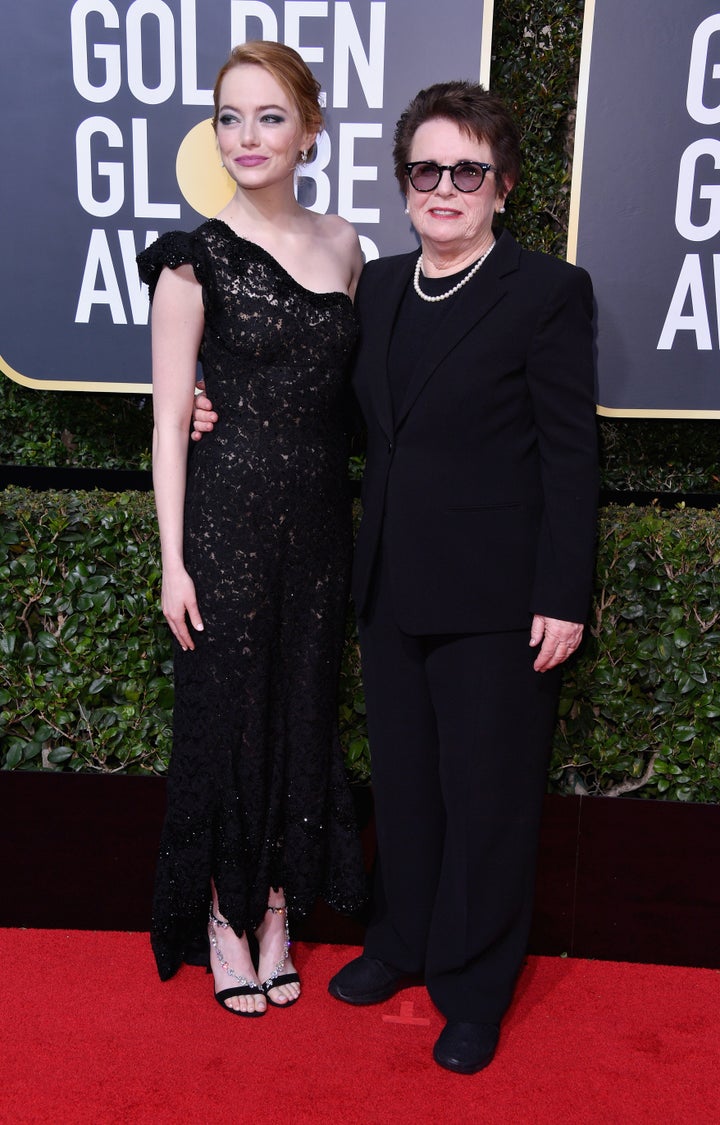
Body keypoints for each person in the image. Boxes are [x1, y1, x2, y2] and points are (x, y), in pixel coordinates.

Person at [193, 80, 598, 1068]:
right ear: (406, 186)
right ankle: (406, 942)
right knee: (410, 790)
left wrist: (562, 593)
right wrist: (213, 408)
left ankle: (473, 983)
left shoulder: (545, 292)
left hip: (500, 600)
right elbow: (325, 410)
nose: (445, 187)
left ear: (500, 186)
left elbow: (572, 455)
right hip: (388, 587)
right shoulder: (377, 290)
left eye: (467, 170)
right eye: (428, 170)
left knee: (489, 800)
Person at [136, 40, 366, 1018]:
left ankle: (279, 907)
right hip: (225, 527)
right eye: (229, 117)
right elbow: (166, 418)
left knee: (302, 714)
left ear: (310, 129)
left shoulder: (349, 244)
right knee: (229, 725)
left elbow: (352, 397)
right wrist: (170, 564)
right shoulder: (194, 258)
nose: (246, 137)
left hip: (320, 528)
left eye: (269, 116)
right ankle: (227, 919)